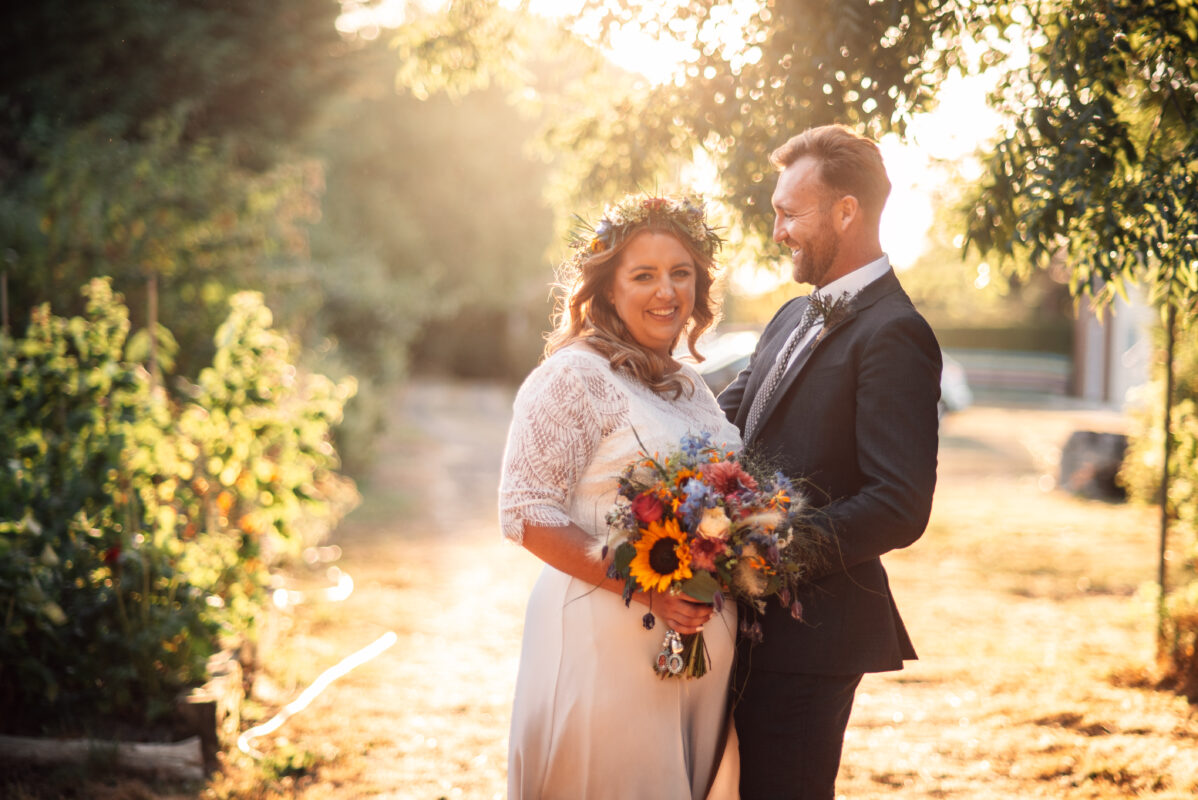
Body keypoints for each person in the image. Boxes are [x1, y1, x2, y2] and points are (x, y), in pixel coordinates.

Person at [718, 125, 941, 799]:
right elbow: (716, 422)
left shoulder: (895, 333)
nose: (779, 230)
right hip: (738, 627)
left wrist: (764, 556)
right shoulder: (788, 315)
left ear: (847, 212)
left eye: (790, 213)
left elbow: (898, 505)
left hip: (810, 638)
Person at [498, 192, 742, 800]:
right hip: (602, 646)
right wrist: (653, 587)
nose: (667, 292)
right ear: (608, 289)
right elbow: (525, 512)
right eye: (644, 275)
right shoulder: (572, 377)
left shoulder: (688, 385)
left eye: (680, 273)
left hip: (694, 650)